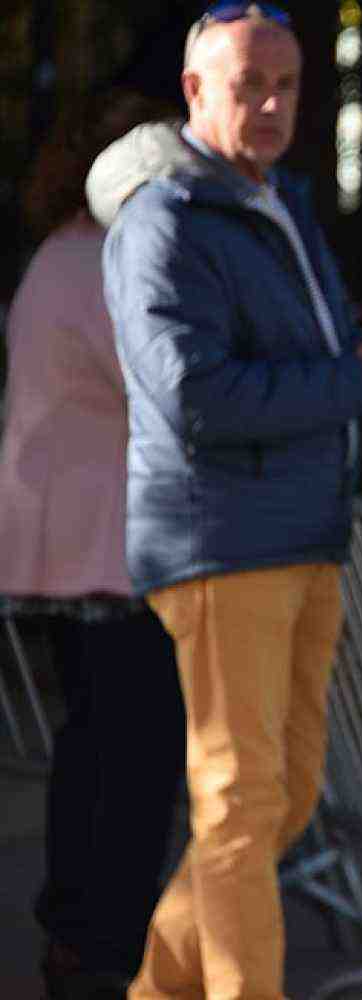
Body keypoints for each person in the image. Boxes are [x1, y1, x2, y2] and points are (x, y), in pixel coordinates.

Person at [84, 5, 362, 998]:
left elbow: (316, 364)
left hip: (299, 534)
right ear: (193, 92)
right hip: (221, 543)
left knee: (282, 799)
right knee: (241, 804)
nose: (269, 104)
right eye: (247, 84)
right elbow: (194, 397)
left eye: (287, 86)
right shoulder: (163, 218)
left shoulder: (274, 201)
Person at [0, 88, 185, 1000]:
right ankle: (104, 942)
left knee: (97, 746)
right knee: (133, 754)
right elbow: (166, 382)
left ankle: (82, 933)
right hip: (107, 548)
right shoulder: (100, 261)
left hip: (74, 544)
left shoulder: (62, 256)